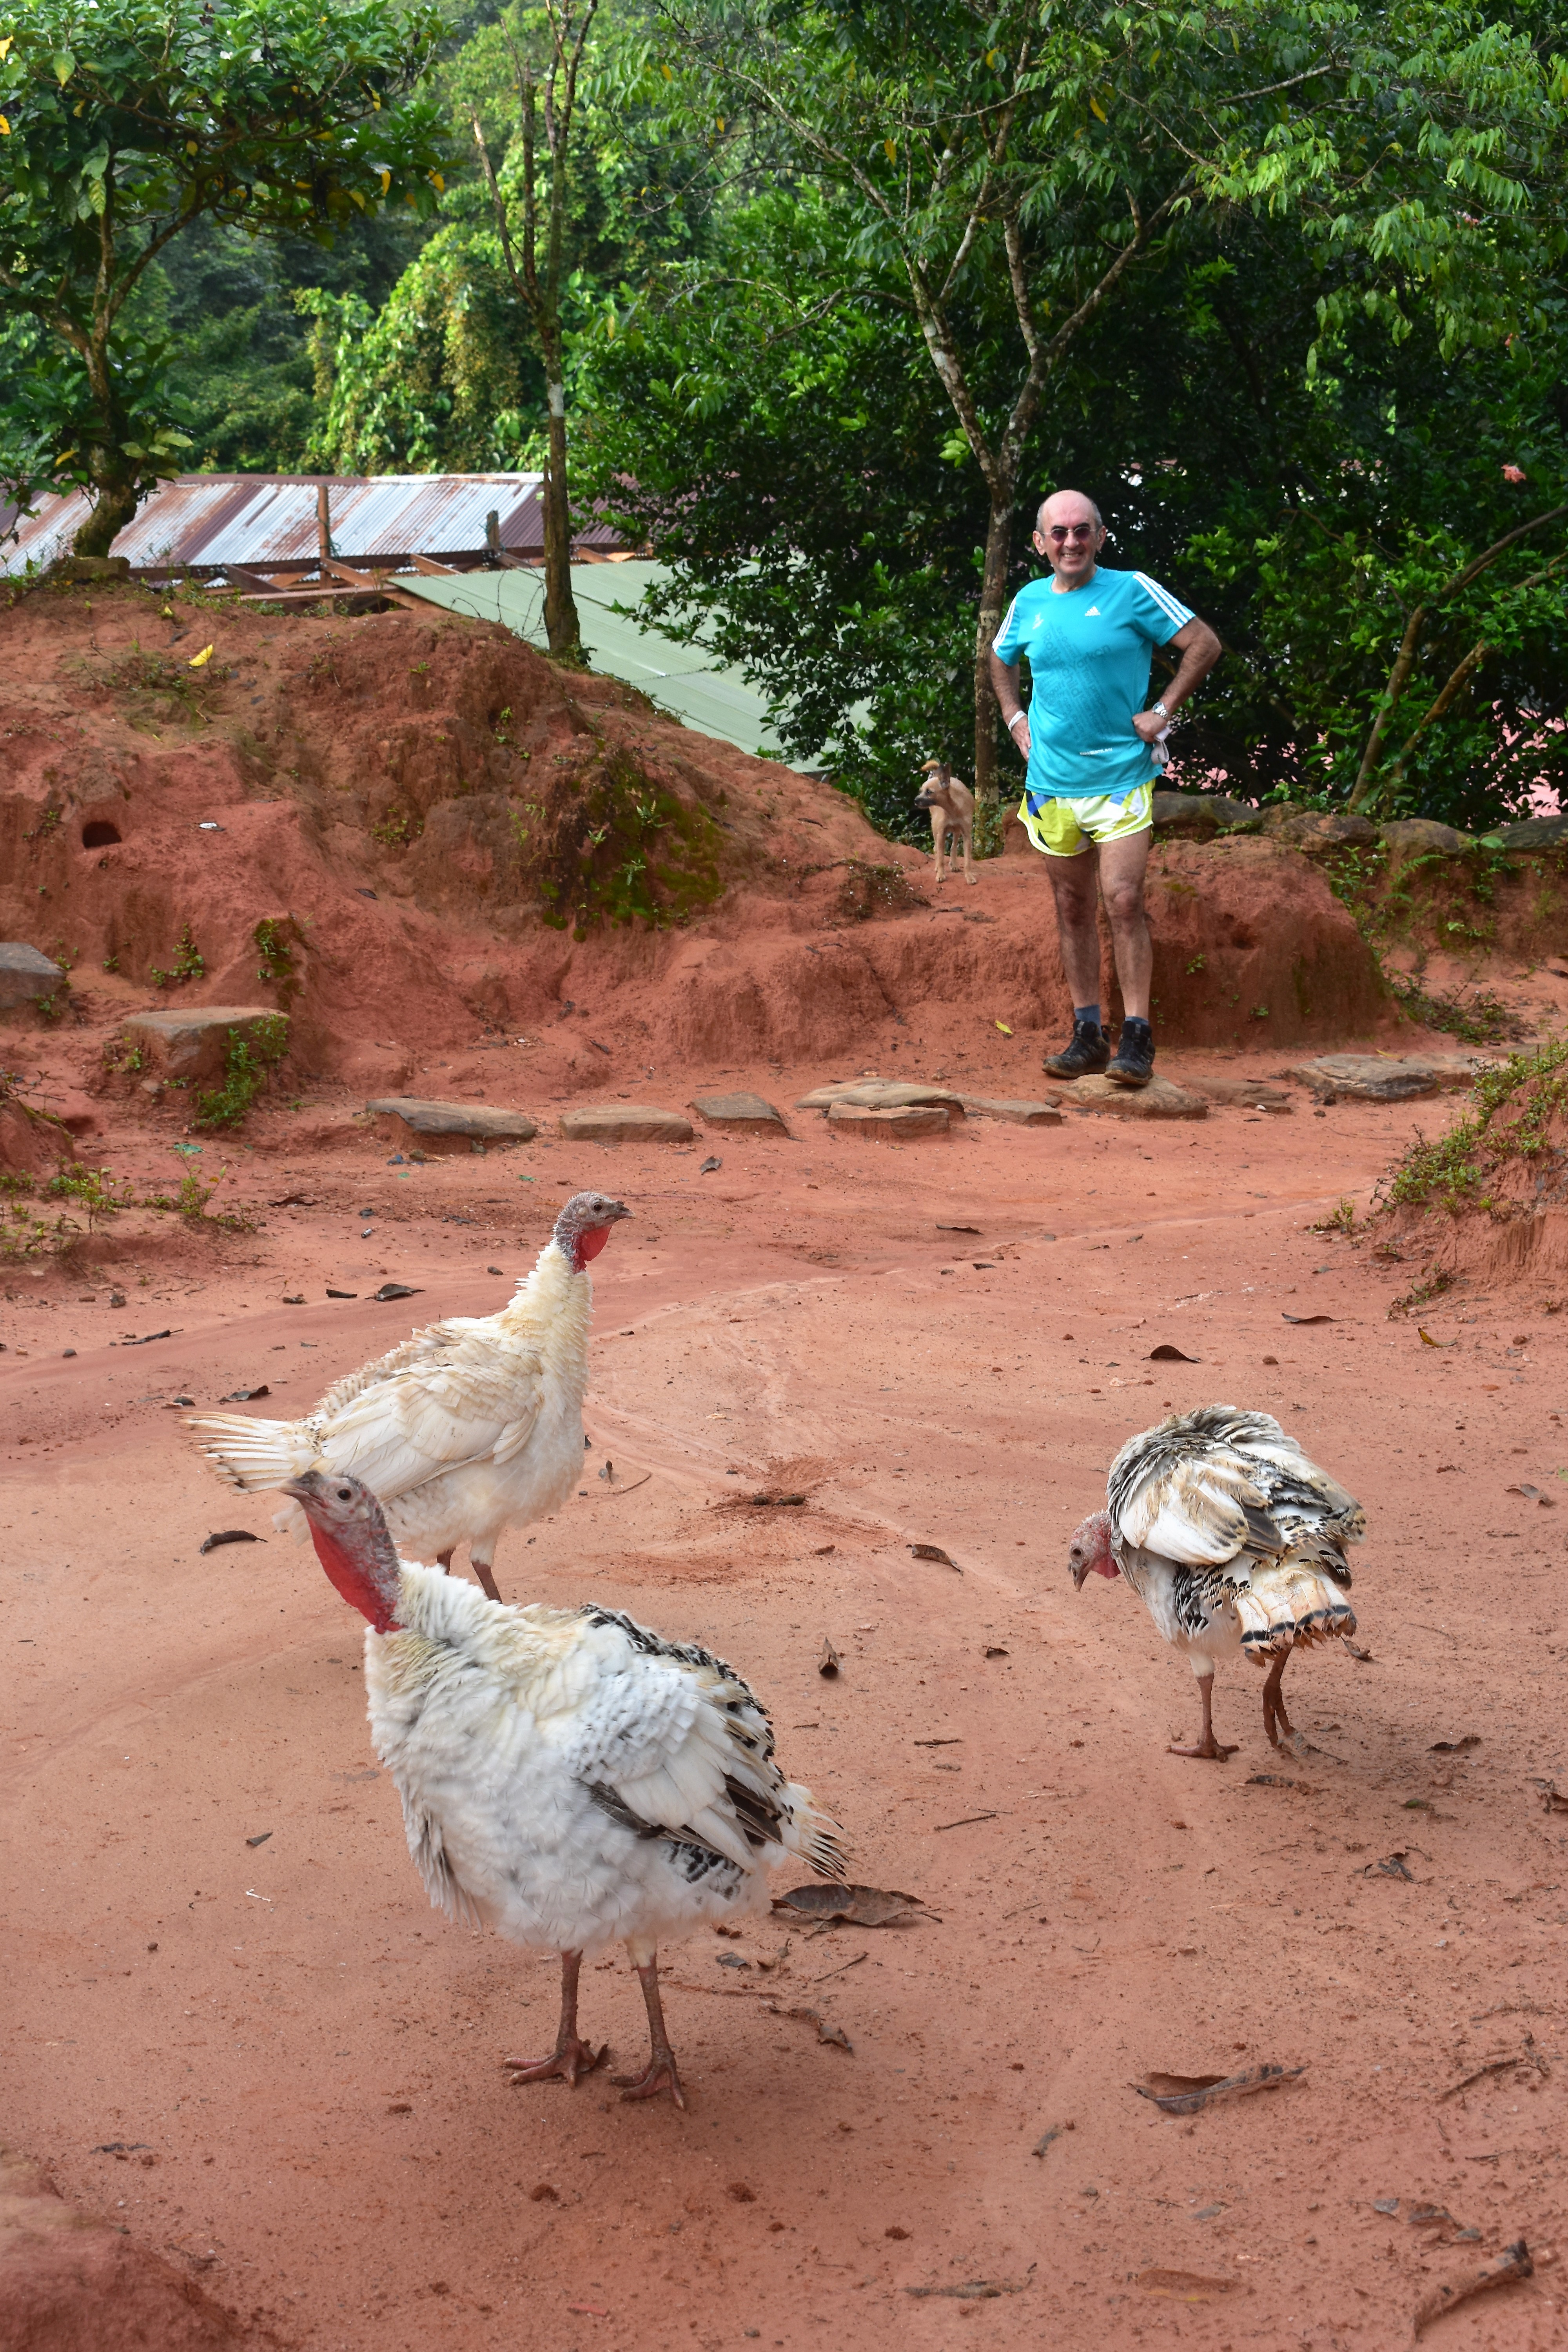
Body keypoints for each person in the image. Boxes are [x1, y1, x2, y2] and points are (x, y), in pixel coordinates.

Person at [988, 490, 1221, 1087]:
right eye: (1059, 533)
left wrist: (1163, 711)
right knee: (1072, 907)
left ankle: (1137, 1036)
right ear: (1040, 543)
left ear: (1100, 535)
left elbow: (1204, 643)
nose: (1071, 542)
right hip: (1051, 785)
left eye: (1081, 530)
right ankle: (1088, 1034)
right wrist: (1014, 718)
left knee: (1122, 900)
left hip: (1121, 778)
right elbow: (999, 657)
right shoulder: (1028, 601)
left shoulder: (1132, 589)